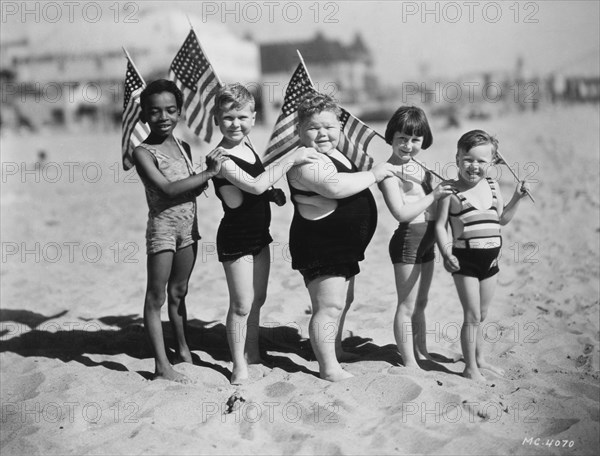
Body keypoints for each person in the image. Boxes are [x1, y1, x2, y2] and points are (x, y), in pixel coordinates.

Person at [286, 92, 400, 382]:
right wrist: (374, 175)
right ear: (299, 131)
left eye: (330, 126)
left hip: (344, 246)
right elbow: (334, 186)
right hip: (321, 246)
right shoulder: (305, 161)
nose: (322, 133)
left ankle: (335, 348)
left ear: (341, 127)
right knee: (329, 306)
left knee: (344, 301)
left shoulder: (334, 153)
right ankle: (328, 367)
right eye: (313, 127)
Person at [210, 83, 318, 385]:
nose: (236, 124)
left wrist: (271, 194)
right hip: (236, 238)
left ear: (254, 118)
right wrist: (290, 160)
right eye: (229, 118)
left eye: (242, 117)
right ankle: (238, 365)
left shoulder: (247, 147)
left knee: (259, 299)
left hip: (260, 234)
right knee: (241, 303)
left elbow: (257, 187)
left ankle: (253, 353)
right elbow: (253, 185)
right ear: (217, 119)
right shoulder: (220, 157)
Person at [133, 79, 227, 383]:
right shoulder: (143, 152)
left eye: (171, 110)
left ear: (179, 112)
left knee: (179, 292)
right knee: (156, 296)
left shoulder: (183, 146)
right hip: (163, 229)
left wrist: (211, 178)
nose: (164, 117)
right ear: (145, 115)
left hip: (189, 227)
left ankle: (183, 350)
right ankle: (162, 365)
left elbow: (192, 191)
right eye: (156, 111)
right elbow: (168, 189)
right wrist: (207, 173)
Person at [435, 129, 530, 381]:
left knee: (483, 315)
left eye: (481, 161)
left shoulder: (492, 185)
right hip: (464, 260)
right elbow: (439, 226)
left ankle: (479, 359)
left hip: (491, 261)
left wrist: (517, 198)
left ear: (492, 163)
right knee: (472, 315)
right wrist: (445, 254)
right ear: (457, 159)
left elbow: (502, 219)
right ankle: (470, 369)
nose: (474, 166)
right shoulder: (450, 190)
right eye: (468, 159)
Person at [378, 106, 454, 369]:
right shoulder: (388, 171)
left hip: (428, 241)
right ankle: (409, 360)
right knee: (407, 305)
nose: (408, 145)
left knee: (422, 302)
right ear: (391, 137)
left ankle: (421, 351)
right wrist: (434, 195)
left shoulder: (420, 166)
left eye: (415, 140)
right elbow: (401, 213)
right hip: (408, 240)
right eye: (402, 138)